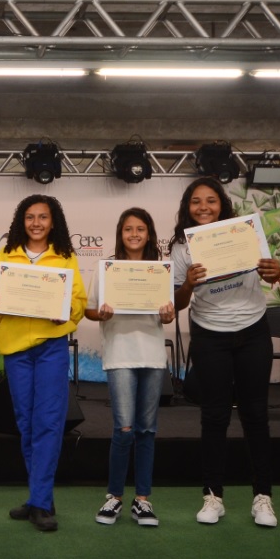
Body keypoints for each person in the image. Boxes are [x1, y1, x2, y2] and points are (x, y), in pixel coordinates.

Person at [170, 177, 280, 527]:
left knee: (256, 415)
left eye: (211, 200)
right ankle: (213, 496)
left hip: (253, 330)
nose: (203, 207)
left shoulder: (246, 232)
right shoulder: (182, 247)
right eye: (196, 201)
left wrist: (275, 271)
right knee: (214, 417)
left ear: (222, 205)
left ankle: (262, 498)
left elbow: (270, 276)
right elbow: (177, 302)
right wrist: (189, 284)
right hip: (209, 334)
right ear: (187, 207)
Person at [0, 195, 87, 532]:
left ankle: (40, 502)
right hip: (15, 349)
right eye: (30, 217)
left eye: (43, 217)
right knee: (26, 424)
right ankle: (39, 495)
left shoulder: (66, 257)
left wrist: (65, 313)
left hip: (50, 348)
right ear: (21, 221)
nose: (36, 223)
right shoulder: (6, 255)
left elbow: (79, 302)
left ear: (53, 222)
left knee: (48, 423)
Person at [84, 208, 174, 527]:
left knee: (147, 429)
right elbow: (89, 310)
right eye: (128, 229)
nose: (134, 234)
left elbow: (167, 313)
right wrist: (101, 313)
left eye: (140, 229)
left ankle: (143, 500)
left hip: (152, 355)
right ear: (120, 234)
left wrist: (168, 315)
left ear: (149, 234)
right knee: (124, 429)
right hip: (120, 354)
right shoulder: (107, 269)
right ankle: (114, 496)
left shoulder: (160, 271)